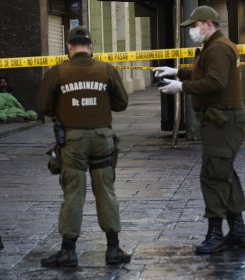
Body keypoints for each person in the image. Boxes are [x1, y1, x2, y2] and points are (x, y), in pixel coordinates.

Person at [153, 5, 245, 255]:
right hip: (222, 121)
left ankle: (215, 234)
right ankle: (238, 231)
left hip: (222, 121)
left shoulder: (217, 48)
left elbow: (215, 82)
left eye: (194, 25)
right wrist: (178, 71)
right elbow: (204, 72)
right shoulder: (217, 45)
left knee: (213, 177)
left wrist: (182, 86)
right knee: (224, 173)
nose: (192, 30)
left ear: (207, 23)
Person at [37, 26, 130, 267]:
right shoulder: (106, 69)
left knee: (73, 194)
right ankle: (113, 249)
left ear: (69, 47)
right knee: (106, 192)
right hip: (102, 138)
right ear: (90, 46)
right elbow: (121, 104)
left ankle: (68, 251)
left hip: (73, 140)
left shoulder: (58, 72)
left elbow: (44, 107)